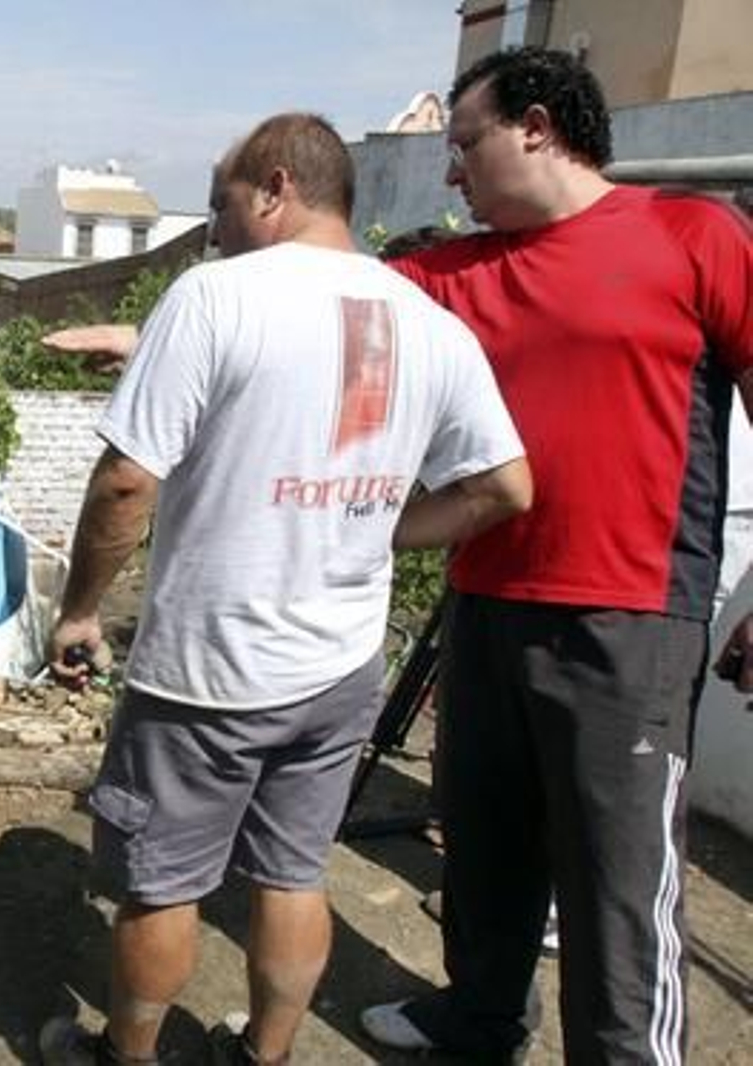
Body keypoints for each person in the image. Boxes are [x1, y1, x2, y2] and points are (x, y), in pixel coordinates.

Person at [51, 48, 753, 1064]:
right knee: (483, 844)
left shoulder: (691, 235)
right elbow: (301, 308)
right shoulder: (442, 279)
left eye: (464, 143)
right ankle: (478, 1022)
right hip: (482, 598)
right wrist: (142, 333)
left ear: (540, 126)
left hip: (630, 611)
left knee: (615, 877)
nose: (451, 173)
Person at [38, 112, 532, 1066]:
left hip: (207, 672)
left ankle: (125, 1057)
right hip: (343, 666)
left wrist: (82, 609)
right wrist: (382, 526)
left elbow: (127, 482)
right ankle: (263, 1056)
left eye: (224, 204)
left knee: (162, 884)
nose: (216, 229)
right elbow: (505, 488)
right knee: (294, 875)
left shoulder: (214, 295)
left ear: (274, 187)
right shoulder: (429, 325)